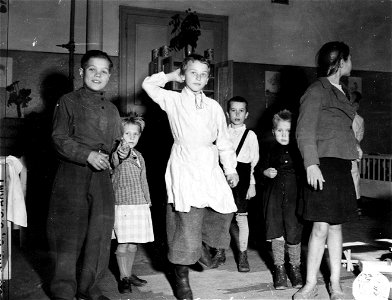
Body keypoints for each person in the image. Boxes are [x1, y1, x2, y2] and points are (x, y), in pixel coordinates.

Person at [142, 53, 239, 300]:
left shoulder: (214, 106)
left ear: (209, 78)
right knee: (186, 220)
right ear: (184, 75)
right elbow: (148, 85)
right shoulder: (173, 99)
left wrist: (230, 169)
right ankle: (181, 277)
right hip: (184, 163)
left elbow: (225, 142)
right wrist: (172, 75)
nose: (198, 78)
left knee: (224, 207)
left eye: (203, 74)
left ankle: (203, 245)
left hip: (208, 161)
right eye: (192, 73)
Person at [47, 50, 122, 300]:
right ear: (82, 72)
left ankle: (88, 287)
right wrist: (86, 155)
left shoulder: (112, 110)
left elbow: (114, 146)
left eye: (103, 71)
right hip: (73, 172)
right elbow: (58, 138)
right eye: (92, 69)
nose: (98, 75)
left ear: (110, 75)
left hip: (101, 175)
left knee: (100, 232)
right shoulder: (67, 101)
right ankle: (63, 290)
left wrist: (120, 151)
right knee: (68, 233)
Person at [294, 41, 359, 300]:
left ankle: (335, 284)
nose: (352, 63)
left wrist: (354, 149)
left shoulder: (341, 91)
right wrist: (311, 163)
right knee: (320, 227)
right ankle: (310, 285)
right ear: (341, 62)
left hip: (340, 165)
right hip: (322, 166)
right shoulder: (316, 90)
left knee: (335, 227)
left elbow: (338, 129)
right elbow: (304, 130)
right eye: (350, 58)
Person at [211, 96, 259, 272]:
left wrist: (252, 184)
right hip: (224, 177)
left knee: (241, 218)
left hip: (243, 178)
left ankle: (243, 254)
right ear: (227, 113)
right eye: (233, 110)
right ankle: (220, 250)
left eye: (241, 111)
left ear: (246, 114)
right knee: (221, 216)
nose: (237, 114)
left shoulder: (251, 135)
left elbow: (254, 162)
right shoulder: (222, 133)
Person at [261, 110, 303, 290]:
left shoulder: (299, 149)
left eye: (288, 131)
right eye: (280, 131)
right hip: (274, 195)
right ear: (273, 132)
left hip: (294, 195)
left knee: (293, 230)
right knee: (276, 230)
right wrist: (265, 172)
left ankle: (295, 268)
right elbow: (258, 167)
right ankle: (279, 269)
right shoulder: (268, 149)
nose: (284, 135)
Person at [111, 116, 154, 294]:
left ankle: (128, 273)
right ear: (120, 136)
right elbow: (121, 154)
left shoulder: (140, 156)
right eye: (126, 133)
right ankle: (123, 278)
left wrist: (147, 199)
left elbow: (143, 180)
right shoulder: (119, 153)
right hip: (123, 205)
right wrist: (122, 147)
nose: (131, 137)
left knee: (133, 244)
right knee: (123, 244)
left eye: (135, 134)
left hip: (139, 204)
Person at [351, 91, 365, 216]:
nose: (354, 105)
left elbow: (359, 136)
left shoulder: (360, 120)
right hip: (340, 150)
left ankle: (357, 204)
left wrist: (355, 144)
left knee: (355, 178)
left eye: (356, 103)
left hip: (352, 151)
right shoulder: (342, 115)